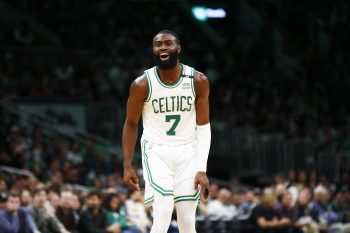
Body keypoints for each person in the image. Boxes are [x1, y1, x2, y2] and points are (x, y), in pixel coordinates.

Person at [122, 29, 211, 233]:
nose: (163, 47)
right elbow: (131, 123)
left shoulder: (198, 81)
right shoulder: (142, 84)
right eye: (158, 44)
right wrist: (127, 164)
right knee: (162, 211)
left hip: (188, 150)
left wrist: (202, 169)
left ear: (178, 48)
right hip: (156, 150)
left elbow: (204, 126)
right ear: (153, 50)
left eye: (168, 43)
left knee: (188, 219)